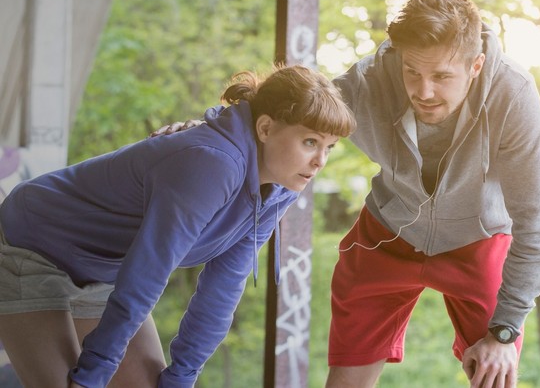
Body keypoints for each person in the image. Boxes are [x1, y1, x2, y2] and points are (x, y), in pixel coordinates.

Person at [0, 64, 355, 388]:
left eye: (330, 147)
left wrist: (182, 376)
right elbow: (147, 275)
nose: (319, 161)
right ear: (265, 128)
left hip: (103, 270)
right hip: (33, 246)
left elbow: (223, 286)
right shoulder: (212, 163)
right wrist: (94, 372)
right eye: (310, 142)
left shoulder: (280, 187)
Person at [325, 0, 540, 388]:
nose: (423, 91)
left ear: (475, 65)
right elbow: (298, 109)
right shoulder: (369, 80)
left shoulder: (513, 93)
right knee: (345, 381)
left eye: (441, 76)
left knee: (495, 373)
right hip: (387, 233)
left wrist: (505, 332)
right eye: (412, 71)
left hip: (478, 237)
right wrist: (222, 125)